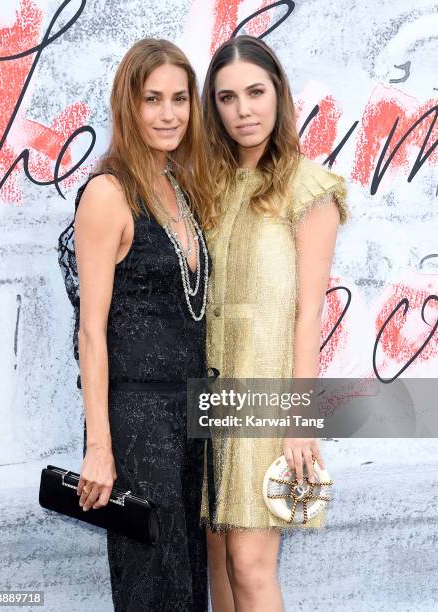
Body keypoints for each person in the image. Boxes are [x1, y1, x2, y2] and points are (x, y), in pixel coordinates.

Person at [57, 38, 214, 611]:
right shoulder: (106, 193)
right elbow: (90, 331)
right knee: (152, 585)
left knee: (189, 580)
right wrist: (100, 447)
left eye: (180, 99)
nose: (169, 114)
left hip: (190, 417)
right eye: (153, 99)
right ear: (129, 104)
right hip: (136, 421)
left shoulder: (180, 187)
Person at [200, 35, 349, 611]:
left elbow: (310, 313)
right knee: (216, 554)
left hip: (268, 393)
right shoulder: (209, 185)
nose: (243, 111)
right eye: (227, 97)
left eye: (255, 92)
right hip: (209, 388)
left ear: (279, 94)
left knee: (250, 563)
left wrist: (299, 421)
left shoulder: (310, 188)